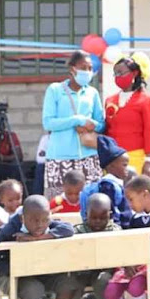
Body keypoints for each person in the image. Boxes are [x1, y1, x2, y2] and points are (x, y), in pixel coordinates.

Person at [0, 195, 79, 299]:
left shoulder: (48, 224)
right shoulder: (10, 230)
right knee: (33, 289)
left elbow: (68, 229)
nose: (40, 224)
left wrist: (36, 238)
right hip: (16, 277)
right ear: (22, 219)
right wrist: (16, 269)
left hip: (44, 272)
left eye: (45, 220)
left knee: (69, 283)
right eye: (34, 220)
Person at [42, 50, 105, 198]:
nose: (88, 72)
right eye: (84, 68)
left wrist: (92, 124)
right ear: (72, 69)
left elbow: (101, 124)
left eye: (90, 68)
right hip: (59, 158)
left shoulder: (92, 93)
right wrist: (77, 120)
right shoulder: (55, 90)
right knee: (57, 203)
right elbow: (48, 123)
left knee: (91, 202)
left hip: (88, 156)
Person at [66, 193, 119, 299]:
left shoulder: (115, 231)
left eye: (102, 218)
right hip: (82, 272)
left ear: (109, 215)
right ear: (86, 215)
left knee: (103, 280)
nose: (97, 222)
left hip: (104, 270)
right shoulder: (78, 232)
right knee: (71, 282)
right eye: (93, 217)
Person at [105, 53, 150, 176]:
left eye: (121, 73)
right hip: (112, 159)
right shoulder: (110, 100)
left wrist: (149, 162)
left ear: (134, 73)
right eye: (115, 74)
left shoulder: (147, 100)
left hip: (136, 157)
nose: (118, 77)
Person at [80, 136, 131, 228]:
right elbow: (111, 212)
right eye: (124, 165)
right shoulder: (108, 186)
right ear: (111, 166)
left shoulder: (114, 184)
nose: (127, 169)